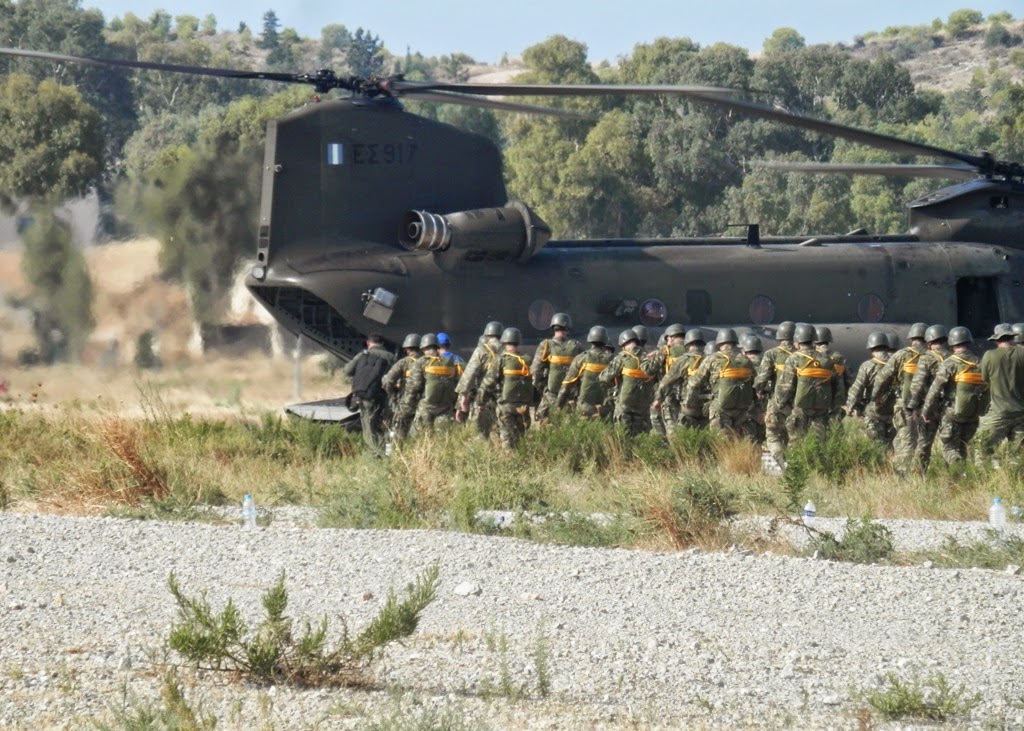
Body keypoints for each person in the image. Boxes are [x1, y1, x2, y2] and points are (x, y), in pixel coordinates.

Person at [921, 327, 987, 464]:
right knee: (962, 447)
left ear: (952, 344)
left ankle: (959, 469)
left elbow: (934, 390)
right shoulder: (980, 363)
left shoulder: (949, 363)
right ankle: (961, 479)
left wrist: (926, 412)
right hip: (972, 414)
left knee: (950, 448)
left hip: (952, 413)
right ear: (969, 342)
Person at [773, 323, 840, 446]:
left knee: (796, 442)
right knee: (819, 443)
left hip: (800, 407)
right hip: (821, 407)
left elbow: (785, 386)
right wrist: (834, 406)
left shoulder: (793, 359)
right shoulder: (827, 359)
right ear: (814, 339)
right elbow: (837, 385)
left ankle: (797, 464)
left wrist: (780, 404)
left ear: (797, 340)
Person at [873, 323, 928, 473]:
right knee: (925, 443)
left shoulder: (901, 355)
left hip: (906, 407)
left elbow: (881, 379)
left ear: (911, 339)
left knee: (906, 443)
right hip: (929, 409)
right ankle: (924, 472)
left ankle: (902, 476)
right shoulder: (935, 356)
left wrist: (876, 398)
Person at [685, 328, 755, 437]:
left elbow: (694, 382)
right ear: (735, 343)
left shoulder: (714, 358)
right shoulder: (746, 360)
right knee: (740, 441)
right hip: (742, 409)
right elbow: (755, 384)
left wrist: (689, 403)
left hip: (720, 408)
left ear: (719, 344)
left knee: (721, 442)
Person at [478, 327, 534, 449]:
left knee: (507, 439)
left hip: (506, 405)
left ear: (504, 341)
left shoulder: (501, 359)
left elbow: (488, 382)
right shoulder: (527, 359)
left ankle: (508, 463)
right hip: (523, 406)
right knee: (520, 439)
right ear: (518, 342)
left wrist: (480, 401)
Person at [342, 334, 396, 456]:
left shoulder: (363, 354)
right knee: (383, 426)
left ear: (368, 343)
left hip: (366, 397)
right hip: (384, 397)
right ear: (382, 344)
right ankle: (385, 453)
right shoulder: (391, 357)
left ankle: (377, 456)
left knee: (368, 428)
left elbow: (347, 371)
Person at [906, 324, 951, 470]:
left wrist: (913, 406)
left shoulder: (927, 358)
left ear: (929, 342)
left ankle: (918, 473)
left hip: (930, 408)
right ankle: (952, 474)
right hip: (949, 407)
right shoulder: (954, 358)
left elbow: (918, 385)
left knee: (924, 443)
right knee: (950, 444)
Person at [600, 328, 658, 436]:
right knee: (641, 435)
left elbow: (604, 377)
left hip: (625, 403)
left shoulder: (622, 357)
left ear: (623, 344)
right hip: (643, 404)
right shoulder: (649, 358)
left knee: (622, 434)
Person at [977, 323, 1024, 455]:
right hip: (1021, 413)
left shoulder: (989, 355)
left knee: (983, 451)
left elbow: (984, 379)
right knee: (1018, 456)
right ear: (1012, 337)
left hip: (998, 413)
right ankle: (1014, 475)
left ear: (996, 340)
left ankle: (986, 475)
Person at [402, 333, 462, 435]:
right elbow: (457, 384)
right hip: (445, 408)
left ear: (423, 347)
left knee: (421, 439)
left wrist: (407, 406)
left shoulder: (421, 362)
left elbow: (414, 386)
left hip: (425, 407)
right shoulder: (450, 362)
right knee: (442, 441)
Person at [844, 331, 895, 446]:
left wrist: (850, 408)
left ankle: (879, 464)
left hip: (874, 411)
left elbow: (857, 389)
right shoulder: (897, 364)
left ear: (871, 349)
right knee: (892, 446)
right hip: (894, 412)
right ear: (887, 347)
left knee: (877, 445)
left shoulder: (868, 366)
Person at [531, 313, 583, 424]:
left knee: (546, 426)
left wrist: (544, 390)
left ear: (553, 327)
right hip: (570, 397)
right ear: (568, 328)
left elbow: (535, 371)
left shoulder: (546, 345)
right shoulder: (577, 346)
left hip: (550, 394)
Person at [755, 321, 795, 462]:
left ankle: (783, 465)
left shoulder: (771, 354)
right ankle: (794, 464)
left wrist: (759, 391)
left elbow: (762, 378)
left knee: (773, 435)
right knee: (795, 436)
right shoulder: (801, 356)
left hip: (777, 403)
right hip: (798, 404)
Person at [455, 321, 503, 438]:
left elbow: (468, 376)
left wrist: (462, 399)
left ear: (486, 335)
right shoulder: (508, 351)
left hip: (484, 399)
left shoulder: (481, 350)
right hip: (504, 398)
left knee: (480, 434)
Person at [654, 328, 708, 431]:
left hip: (689, 405)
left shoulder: (683, 360)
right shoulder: (710, 359)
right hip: (706, 406)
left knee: (682, 435)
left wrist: (658, 399)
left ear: (687, 345)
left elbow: (666, 381)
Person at [557, 325, 612, 420]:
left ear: (590, 339)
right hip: (605, 411)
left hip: (584, 411)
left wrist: (559, 405)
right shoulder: (612, 360)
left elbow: (566, 385)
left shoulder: (581, 358)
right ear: (605, 340)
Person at [382, 333, 422, 441]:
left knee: (398, 433)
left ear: (407, 349)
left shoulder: (404, 362)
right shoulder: (427, 362)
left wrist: (393, 394)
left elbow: (387, 381)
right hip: (423, 404)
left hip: (405, 403)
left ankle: (396, 454)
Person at [814, 326, 850, 417]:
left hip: (817, 397)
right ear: (829, 340)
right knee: (835, 423)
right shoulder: (839, 357)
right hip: (836, 397)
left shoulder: (812, 357)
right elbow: (849, 378)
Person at [741, 334, 766, 442]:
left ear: (744, 351)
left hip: (749, 411)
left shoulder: (743, 365)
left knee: (750, 441)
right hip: (769, 410)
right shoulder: (768, 363)